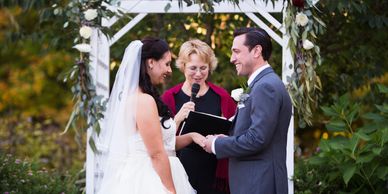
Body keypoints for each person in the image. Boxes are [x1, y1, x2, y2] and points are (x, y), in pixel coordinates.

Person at [96, 37, 205, 194]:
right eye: (166, 64)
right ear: (151, 62)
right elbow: (156, 153)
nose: (169, 70)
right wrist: (171, 190)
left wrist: (191, 136)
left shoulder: (141, 98)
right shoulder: (143, 101)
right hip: (151, 178)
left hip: (157, 170)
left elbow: (163, 144)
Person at [202, 27, 292, 194]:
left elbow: (257, 139)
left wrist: (216, 144)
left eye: (236, 52)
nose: (232, 59)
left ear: (256, 51)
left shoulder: (265, 87)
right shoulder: (262, 84)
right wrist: (228, 136)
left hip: (259, 183)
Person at [161, 39, 236, 194]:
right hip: (180, 173)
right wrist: (178, 118)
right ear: (183, 66)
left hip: (214, 173)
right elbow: (160, 141)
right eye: (193, 68)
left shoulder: (221, 97)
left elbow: (234, 133)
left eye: (203, 68)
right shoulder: (169, 98)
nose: (198, 74)